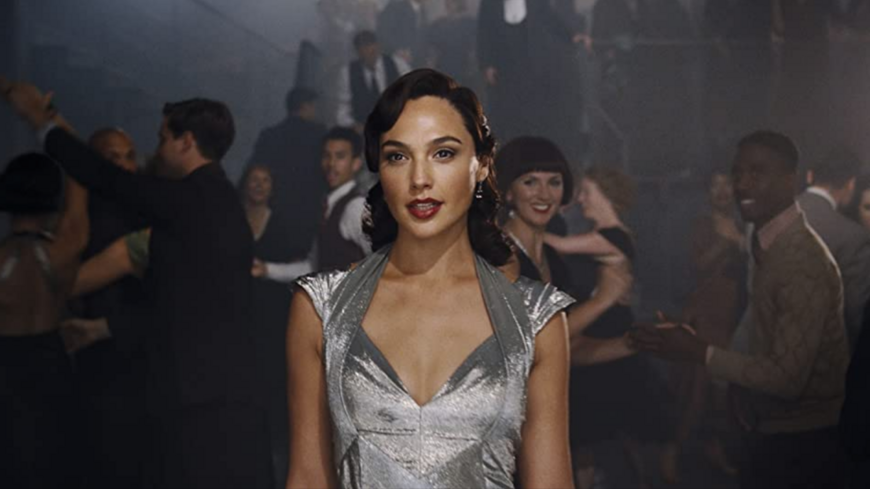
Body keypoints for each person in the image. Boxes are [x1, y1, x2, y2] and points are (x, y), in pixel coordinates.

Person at [285, 69, 574, 488]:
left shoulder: (535, 320)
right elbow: (308, 478)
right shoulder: (321, 309)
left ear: (481, 165)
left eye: (443, 153)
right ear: (380, 171)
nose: (419, 179)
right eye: (398, 157)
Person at [1, 79, 273, 489]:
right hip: (214, 398)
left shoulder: (192, 200)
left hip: (202, 404)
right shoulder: (214, 200)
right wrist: (102, 328)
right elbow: (184, 305)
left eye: (162, 139)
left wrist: (42, 120)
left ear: (186, 142)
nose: (155, 151)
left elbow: (105, 178)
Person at [633, 131, 850, 489]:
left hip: (801, 442)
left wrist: (699, 351)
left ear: (790, 180)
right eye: (737, 174)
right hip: (774, 431)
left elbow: (787, 378)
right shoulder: (768, 243)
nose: (741, 184)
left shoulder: (800, 260)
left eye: (757, 172)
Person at [544, 164, 674, 489]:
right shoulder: (607, 235)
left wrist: (517, 227)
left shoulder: (613, 237)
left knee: (610, 422)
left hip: (608, 329)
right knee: (596, 427)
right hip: (598, 328)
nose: (581, 199)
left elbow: (557, 246)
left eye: (587, 192)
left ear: (606, 195)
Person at [0, 151, 88, 489]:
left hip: (7, 369)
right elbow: (80, 185)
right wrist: (52, 132)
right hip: (51, 365)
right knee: (55, 465)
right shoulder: (64, 250)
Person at [661, 168, 746, 484]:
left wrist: (738, 238)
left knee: (723, 395)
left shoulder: (745, 224)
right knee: (695, 391)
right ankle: (671, 451)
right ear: (707, 192)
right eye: (715, 186)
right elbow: (698, 265)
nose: (722, 191)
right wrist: (727, 241)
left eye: (727, 184)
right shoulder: (702, 224)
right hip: (706, 315)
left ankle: (714, 447)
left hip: (734, 317)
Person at [477, 0, 586, 163]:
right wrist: (486, 64)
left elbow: (550, 19)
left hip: (531, 62)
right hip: (504, 64)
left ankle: (535, 154)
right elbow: (484, 31)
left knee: (534, 110)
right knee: (508, 112)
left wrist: (571, 35)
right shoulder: (490, 3)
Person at [799, 149, 870, 348]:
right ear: (851, 184)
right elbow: (856, 314)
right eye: (868, 207)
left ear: (810, 176)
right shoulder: (851, 236)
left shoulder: (766, 214)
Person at [249, 86, 327, 261]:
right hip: (307, 215)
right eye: (314, 106)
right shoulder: (319, 135)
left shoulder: (270, 135)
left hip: (274, 213)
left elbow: (253, 173)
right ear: (306, 106)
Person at [336, 30, 411, 132]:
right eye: (363, 49)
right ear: (357, 52)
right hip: (364, 132)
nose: (368, 52)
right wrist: (353, 125)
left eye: (370, 47)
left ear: (378, 46)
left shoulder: (397, 65)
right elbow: (343, 109)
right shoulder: (348, 73)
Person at [376, 0, 429, 66]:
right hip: (397, 62)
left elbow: (421, 38)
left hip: (416, 63)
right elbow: (383, 33)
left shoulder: (422, 10)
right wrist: (398, 51)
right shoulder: (395, 7)